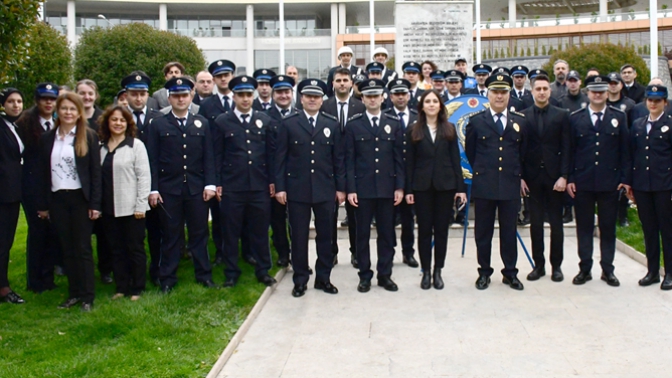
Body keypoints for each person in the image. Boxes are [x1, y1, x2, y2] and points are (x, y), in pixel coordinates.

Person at [275, 79, 345, 297]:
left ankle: (323, 278)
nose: (313, 100)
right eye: (308, 96)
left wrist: (341, 188)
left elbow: (339, 159)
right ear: (301, 99)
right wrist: (280, 188)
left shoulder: (331, 124)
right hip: (297, 189)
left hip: (325, 189)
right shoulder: (289, 123)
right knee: (299, 236)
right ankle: (300, 279)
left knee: (326, 236)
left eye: (316, 96)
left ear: (322, 99)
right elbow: (280, 159)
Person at [147, 77, 217, 293]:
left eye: (184, 95)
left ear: (191, 96)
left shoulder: (201, 123)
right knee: (171, 235)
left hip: (196, 189)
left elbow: (209, 157)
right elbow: (152, 159)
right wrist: (154, 188)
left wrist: (210, 184)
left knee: (199, 234)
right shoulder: (158, 124)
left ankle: (203, 274)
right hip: (169, 190)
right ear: (169, 98)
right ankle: (167, 278)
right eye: (176, 95)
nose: (180, 99)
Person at [37, 92, 102, 312]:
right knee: (67, 248)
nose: (67, 113)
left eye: (72, 109)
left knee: (82, 247)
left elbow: (95, 174)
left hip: (80, 199)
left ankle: (87, 296)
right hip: (58, 199)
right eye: (64, 108)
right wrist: (44, 204)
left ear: (79, 112)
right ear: (57, 110)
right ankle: (73, 293)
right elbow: (43, 174)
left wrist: (95, 204)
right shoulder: (49, 138)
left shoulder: (88, 136)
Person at [213, 75, 278, 288]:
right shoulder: (222, 122)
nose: (245, 99)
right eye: (240, 95)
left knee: (260, 231)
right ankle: (231, 272)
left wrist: (272, 181)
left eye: (249, 94)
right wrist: (218, 183)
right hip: (233, 187)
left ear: (254, 95)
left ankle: (263, 270)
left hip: (259, 186)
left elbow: (271, 154)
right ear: (233, 96)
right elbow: (217, 155)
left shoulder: (264, 120)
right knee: (230, 232)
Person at [566, 75, 631, 287]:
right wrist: (570, 178)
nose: (597, 95)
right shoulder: (575, 118)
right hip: (583, 182)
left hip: (609, 182)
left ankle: (608, 270)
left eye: (601, 91)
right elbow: (570, 151)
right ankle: (585, 269)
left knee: (607, 227)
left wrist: (624, 179)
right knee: (584, 227)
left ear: (606, 94)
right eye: (594, 91)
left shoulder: (618, 117)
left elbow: (625, 151)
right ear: (588, 93)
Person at [465, 74, 528, 291]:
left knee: (509, 231)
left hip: (510, 186)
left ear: (509, 95)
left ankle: (510, 272)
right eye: (495, 92)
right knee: (483, 232)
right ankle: (484, 272)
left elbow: (523, 154)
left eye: (503, 92)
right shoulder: (476, 121)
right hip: (485, 186)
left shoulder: (520, 121)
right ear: (488, 94)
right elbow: (471, 153)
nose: (499, 96)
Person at [345, 79, 404, 293]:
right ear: (362, 98)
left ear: (382, 97)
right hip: (362, 189)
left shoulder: (394, 123)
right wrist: (351, 189)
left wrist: (399, 187)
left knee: (387, 234)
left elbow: (399, 159)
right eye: (368, 95)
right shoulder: (353, 124)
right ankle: (364, 275)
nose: (372, 99)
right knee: (362, 235)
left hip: (387, 189)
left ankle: (385, 274)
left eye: (376, 95)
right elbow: (349, 160)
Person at [404, 90, 466, 290]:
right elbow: (409, 163)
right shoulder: (413, 130)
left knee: (441, 231)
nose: (431, 104)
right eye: (427, 101)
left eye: (435, 101)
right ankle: (426, 272)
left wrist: (460, 188)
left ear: (440, 106)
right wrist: (408, 190)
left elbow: (456, 160)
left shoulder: (449, 129)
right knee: (423, 231)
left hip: (445, 186)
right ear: (422, 106)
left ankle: (438, 270)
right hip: (421, 187)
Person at [521, 74, 571, 283]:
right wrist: (520, 178)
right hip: (531, 178)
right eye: (537, 89)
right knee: (535, 224)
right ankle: (538, 265)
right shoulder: (522, 116)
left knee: (556, 224)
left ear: (550, 91)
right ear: (532, 91)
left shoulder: (562, 115)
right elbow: (519, 150)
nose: (541, 92)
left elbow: (568, 147)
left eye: (544, 88)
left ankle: (556, 266)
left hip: (554, 178)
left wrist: (564, 176)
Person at [98, 105, 150, 300]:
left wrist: (140, 205)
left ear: (127, 124)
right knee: (116, 250)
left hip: (132, 209)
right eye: (114, 120)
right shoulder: (101, 148)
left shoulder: (136, 146)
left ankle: (137, 287)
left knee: (135, 248)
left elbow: (144, 177)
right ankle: (121, 287)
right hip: (109, 208)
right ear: (107, 123)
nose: (118, 124)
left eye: (122, 120)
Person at [16, 83, 63, 293]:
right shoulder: (24, 124)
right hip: (33, 186)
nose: (48, 103)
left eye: (52, 99)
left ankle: (48, 277)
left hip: (54, 184)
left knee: (53, 233)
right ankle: (34, 281)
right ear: (37, 100)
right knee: (37, 232)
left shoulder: (58, 122)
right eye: (44, 99)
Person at [121, 73, 164, 285]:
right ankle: (131, 273)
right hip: (128, 183)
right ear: (126, 95)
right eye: (134, 94)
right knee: (131, 235)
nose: (138, 98)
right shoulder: (120, 119)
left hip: (155, 183)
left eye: (142, 94)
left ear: (148, 94)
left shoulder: (158, 117)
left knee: (156, 232)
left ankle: (156, 271)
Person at [628, 84, 672, 290]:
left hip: (664, 185)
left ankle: (669, 272)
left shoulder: (669, 125)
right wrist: (630, 184)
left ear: (665, 102)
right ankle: (652, 271)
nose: (653, 104)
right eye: (650, 100)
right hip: (643, 185)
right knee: (649, 229)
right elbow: (632, 155)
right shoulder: (638, 125)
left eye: (657, 100)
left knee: (667, 229)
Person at [321, 68, 366, 267]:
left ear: (351, 83)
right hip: (329, 169)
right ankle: (331, 253)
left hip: (355, 169)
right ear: (332, 83)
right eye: (338, 80)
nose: (341, 83)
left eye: (345, 80)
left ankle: (356, 252)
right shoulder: (324, 106)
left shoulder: (360, 106)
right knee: (329, 216)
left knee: (355, 216)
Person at [199, 60, 237, 266]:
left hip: (239, 168)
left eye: (227, 74)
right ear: (213, 80)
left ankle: (246, 251)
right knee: (219, 214)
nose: (224, 79)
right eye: (219, 76)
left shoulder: (242, 100)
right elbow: (205, 142)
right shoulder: (206, 106)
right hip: (217, 166)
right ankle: (221, 252)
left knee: (244, 215)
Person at [76, 79, 111, 284]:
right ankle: (82, 270)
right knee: (83, 232)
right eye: (82, 93)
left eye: (90, 93)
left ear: (95, 95)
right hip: (81, 182)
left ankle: (106, 269)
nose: (87, 97)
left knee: (104, 231)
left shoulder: (103, 118)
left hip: (103, 180)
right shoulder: (74, 119)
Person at [384, 78, 418, 268]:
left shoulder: (417, 117)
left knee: (408, 217)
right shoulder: (384, 116)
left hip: (411, 175)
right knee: (388, 218)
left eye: (403, 93)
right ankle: (389, 251)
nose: (400, 97)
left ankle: (408, 252)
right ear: (391, 96)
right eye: (396, 93)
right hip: (389, 175)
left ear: (409, 95)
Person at [266, 75, 296, 268]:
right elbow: (265, 152)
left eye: (286, 92)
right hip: (273, 176)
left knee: (296, 219)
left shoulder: (300, 114)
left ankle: (297, 252)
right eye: (279, 92)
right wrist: (272, 180)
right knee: (277, 219)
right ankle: (283, 253)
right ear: (273, 94)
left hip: (297, 176)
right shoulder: (264, 117)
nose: (283, 95)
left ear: (292, 94)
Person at [0, 88, 26, 304]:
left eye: (19, 101)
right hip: (3, 193)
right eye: (11, 101)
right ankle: (3, 288)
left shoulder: (16, 126)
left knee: (6, 241)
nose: (16, 105)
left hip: (13, 192)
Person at [606, 72, 636, 228]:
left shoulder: (629, 105)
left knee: (622, 185)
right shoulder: (602, 103)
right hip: (607, 150)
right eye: (610, 83)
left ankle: (623, 216)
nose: (613, 85)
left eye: (615, 83)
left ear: (621, 85)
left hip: (622, 149)